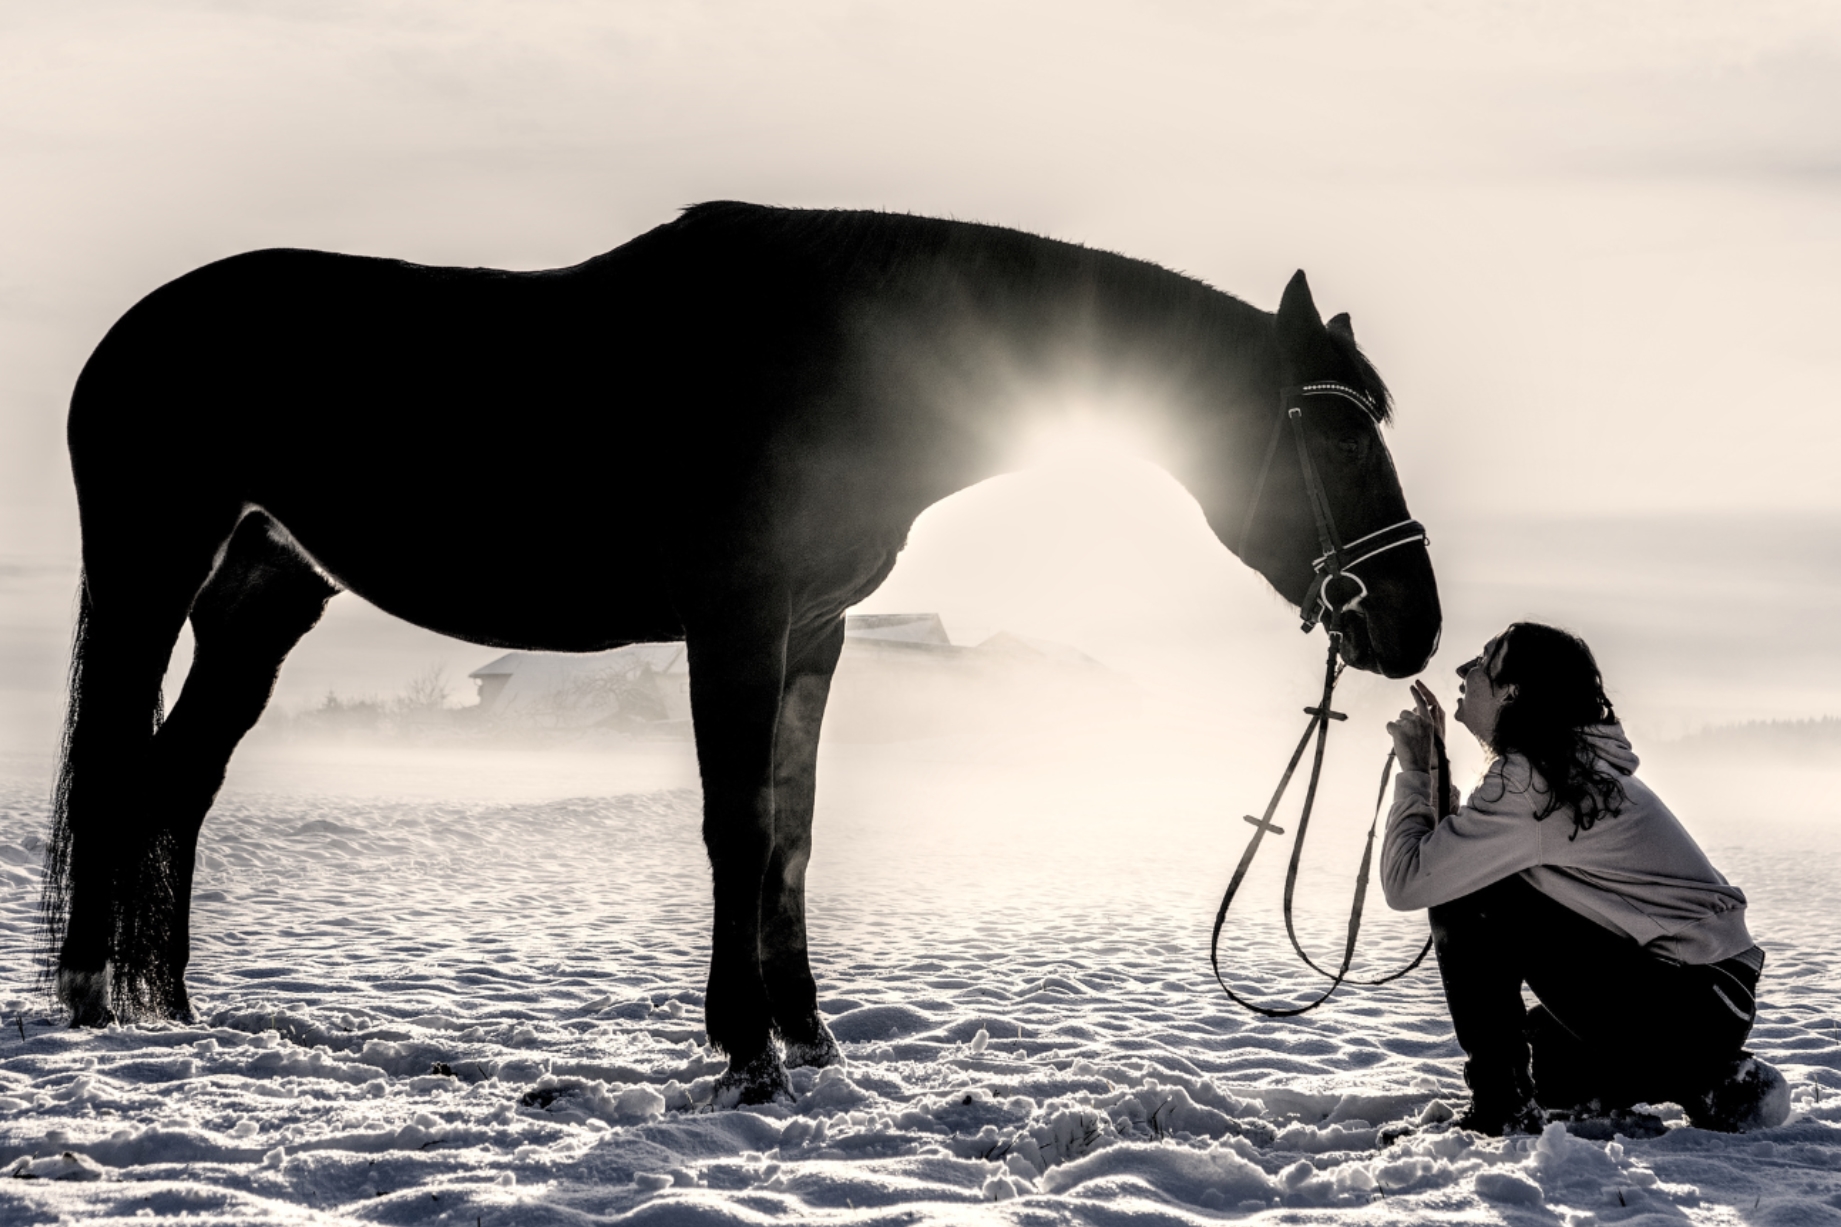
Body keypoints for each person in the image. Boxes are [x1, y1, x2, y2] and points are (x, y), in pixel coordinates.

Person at [1380, 622, 1788, 1135]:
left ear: (1514, 692)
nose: (1465, 672)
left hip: (1685, 1002)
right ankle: (1714, 1082)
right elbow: (1458, 855)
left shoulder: (1531, 782)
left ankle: (1501, 1109)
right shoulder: (1568, 769)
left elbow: (1412, 879)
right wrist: (1436, 773)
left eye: (1482, 663)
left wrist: (1417, 773)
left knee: (1470, 896)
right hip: (1711, 1006)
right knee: (1547, 1070)